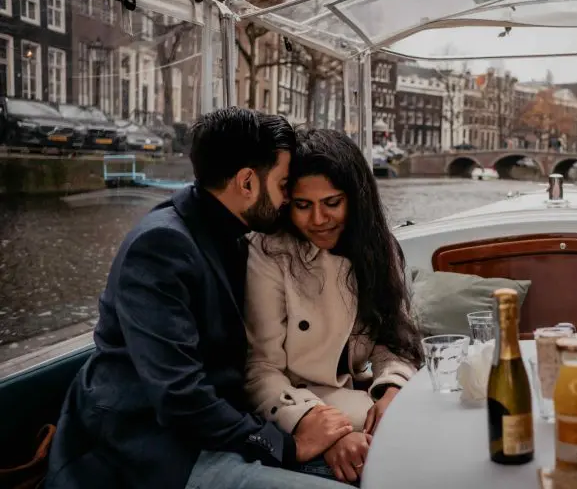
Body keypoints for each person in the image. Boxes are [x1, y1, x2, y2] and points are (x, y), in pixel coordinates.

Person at [45, 108, 352, 489]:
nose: (289, 199)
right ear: (246, 183)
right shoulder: (161, 246)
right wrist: (284, 447)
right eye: (284, 184)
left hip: (223, 426)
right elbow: (178, 396)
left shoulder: (232, 232)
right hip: (157, 449)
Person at [243, 128, 424, 485]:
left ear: (355, 200)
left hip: (361, 398)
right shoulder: (268, 254)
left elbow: (394, 339)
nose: (318, 220)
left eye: (332, 202)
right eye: (302, 205)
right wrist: (324, 431)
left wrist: (392, 390)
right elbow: (260, 368)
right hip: (299, 405)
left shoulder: (376, 248)